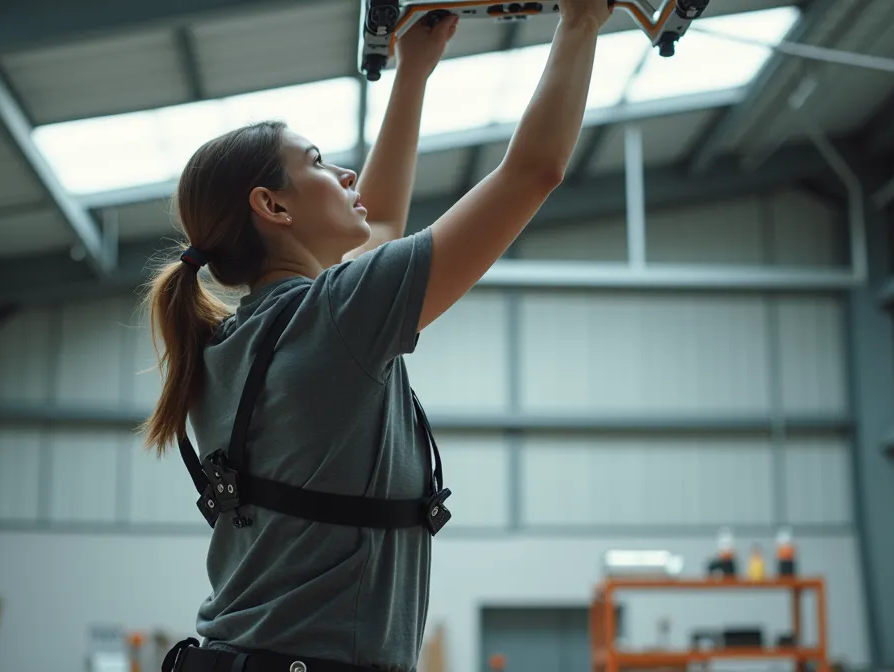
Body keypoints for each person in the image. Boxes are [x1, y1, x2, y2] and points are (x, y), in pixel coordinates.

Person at [142, 1, 613, 670]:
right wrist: (580, 25)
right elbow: (532, 172)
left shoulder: (235, 341)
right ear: (272, 206)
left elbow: (382, 226)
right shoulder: (333, 316)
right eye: (317, 163)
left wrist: (415, 69)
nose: (346, 175)